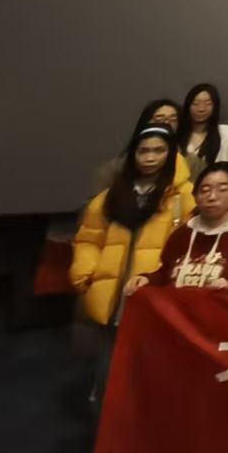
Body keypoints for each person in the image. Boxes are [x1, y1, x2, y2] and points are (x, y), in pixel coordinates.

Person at [72, 125, 196, 326]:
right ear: (133, 155)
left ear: (172, 154)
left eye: (159, 151)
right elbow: (88, 240)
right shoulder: (110, 196)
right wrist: (86, 274)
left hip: (158, 295)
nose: (150, 158)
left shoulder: (186, 197)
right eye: (143, 151)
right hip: (109, 299)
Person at [129, 161, 228, 291]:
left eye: (223, 190)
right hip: (178, 311)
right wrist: (148, 279)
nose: (212, 197)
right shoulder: (182, 234)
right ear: (195, 196)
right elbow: (165, 274)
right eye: (205, 190)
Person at [177, 84, 228, 173]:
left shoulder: (224, 133)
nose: (201, 109)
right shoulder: (178, 133)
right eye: (195, 104)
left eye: (208, 104)